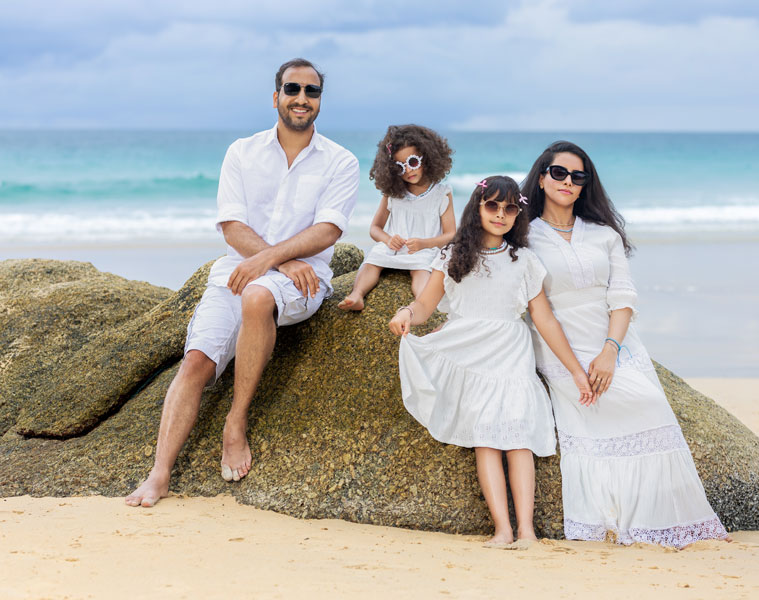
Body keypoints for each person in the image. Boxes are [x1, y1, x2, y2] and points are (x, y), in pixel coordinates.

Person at [125, 58, 359, 507]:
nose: (302, 99)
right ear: (276, 97)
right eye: (293, 89)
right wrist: (282, 261)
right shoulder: (241, 152)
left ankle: (236, 421)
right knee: (195, 361)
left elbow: (328, 231)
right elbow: (231, 227)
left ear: (319, 102)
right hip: (242, 271)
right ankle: (158, 474)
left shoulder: (340, 162)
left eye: (312, 92)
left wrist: (276, 263)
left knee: (258, 295)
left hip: (301, 283)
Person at [520, 141, 729, 547]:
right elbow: (538, 311)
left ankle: (666, 523)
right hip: (560, 347)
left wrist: (610, 352)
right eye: (559, 173)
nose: (567, 181)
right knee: (590, 405)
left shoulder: (603, 235)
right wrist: (577, 370)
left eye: (577, 176)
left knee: (649, 404)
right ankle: (607, 521)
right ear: (542, 178)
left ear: (585, 185)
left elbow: (623, 298)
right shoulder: (525, 236)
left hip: (614, 342)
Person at [388, 176, 593, 548]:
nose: (501, 214)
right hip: (470, 352)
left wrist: (577, 371)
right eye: (493, 206)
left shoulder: (524, 260)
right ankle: (502, 528)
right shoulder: (452, 256)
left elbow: (544, 319)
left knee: (518, 439)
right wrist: (405, 312)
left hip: (511, 355)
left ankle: (527, 531)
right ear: (478, 208)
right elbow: (425, 306)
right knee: (486, 440)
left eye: (510, 208)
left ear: (518, 214)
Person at [338, 124, 456, 311]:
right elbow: (375, 228)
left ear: (428, 157)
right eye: (400, 167)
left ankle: (421, 304)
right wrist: (388, 239)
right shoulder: (393, 194)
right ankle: (357, 294)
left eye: (413, 162)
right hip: (392, 249)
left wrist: (424, 244)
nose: (408, 170)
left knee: (421, 271)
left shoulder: (441, 194)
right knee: (372, 261)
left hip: (423, 251)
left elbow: (450, 235)